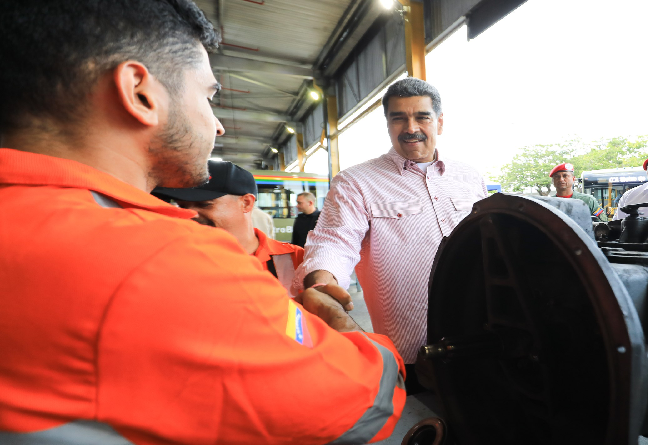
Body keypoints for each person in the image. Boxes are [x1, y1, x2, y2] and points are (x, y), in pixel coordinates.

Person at [0, 2, 405, 444]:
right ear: (140, 92)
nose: (218, 126)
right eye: (209, 96)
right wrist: (342, 327)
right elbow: (364, 403)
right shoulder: (162, 260)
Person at [292, 77, 488, 393]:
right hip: (410, 345)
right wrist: (323, 283)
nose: (410, 127)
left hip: (479, 327)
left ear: (439, 122)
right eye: (399, 118)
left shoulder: (470, 176)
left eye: (422, 116)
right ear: (388, 125)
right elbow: (335, 240)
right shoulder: (356, 182)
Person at [153, 161, 303, 295]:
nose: (189, 214)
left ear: (246, 203)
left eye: (204, 204)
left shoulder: (298, 261)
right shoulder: (171, 262)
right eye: (182, 206)